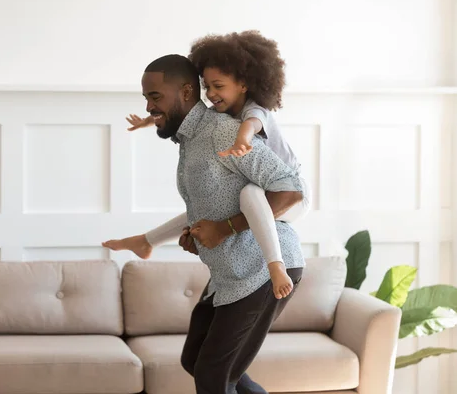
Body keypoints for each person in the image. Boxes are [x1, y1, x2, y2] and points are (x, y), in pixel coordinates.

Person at [103, 54, 306, 394]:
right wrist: (195, 234)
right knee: (195, 360)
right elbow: (213, 209)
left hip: (262, 270)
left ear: (184, 92)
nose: (150, 107)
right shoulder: (190, 141)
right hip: (228, 275)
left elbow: (290, 190)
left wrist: (224, 229)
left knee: (213, 375)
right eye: (146, 98)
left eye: (155, 97)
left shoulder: (221, 132)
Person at [107, 31, 311, 300]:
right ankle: (148, 241)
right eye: (208, 87)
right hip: (261, 197)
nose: (211, 94)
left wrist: (241, 139)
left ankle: (276, 265)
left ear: (244, 84)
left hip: (293, 195)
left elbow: (253, 130)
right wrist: (149, 120)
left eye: (218, 86)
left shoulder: (252, 112)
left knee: (248, 195)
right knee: (218, 204)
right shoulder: (218, 116)